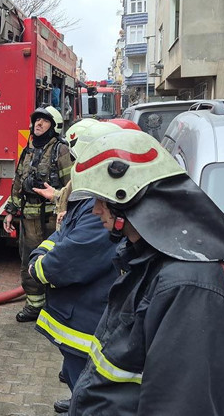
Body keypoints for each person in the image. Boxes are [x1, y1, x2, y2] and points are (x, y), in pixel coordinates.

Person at [65, 129, 224, 415]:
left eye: (101, 200)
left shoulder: (189, 290)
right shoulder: (149, 262)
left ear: (127, 199)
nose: (95, 211)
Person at [27, 120, 133, 414]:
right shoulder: (89, 199)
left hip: (87, 319)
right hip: (81, 316)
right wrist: (44, 250)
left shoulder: (101, 207)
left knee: (88, 390)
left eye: (76, 159)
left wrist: (38, 266)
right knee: (79, 381)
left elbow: (69, 257)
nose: (73, 166)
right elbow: (62, 235)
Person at [2, 105, 72, 322]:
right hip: (29, 220)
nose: (38, 124)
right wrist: (10, 211)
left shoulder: (61, 150)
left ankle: (57, 307)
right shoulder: (28, 150)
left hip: (53, 219)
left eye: (44, 121)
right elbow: (18, 182)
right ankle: (34, 306)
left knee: (56, 261)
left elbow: (71, 185)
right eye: (36, 120)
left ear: (54, 126)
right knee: (29, 262)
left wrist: (67, 212)